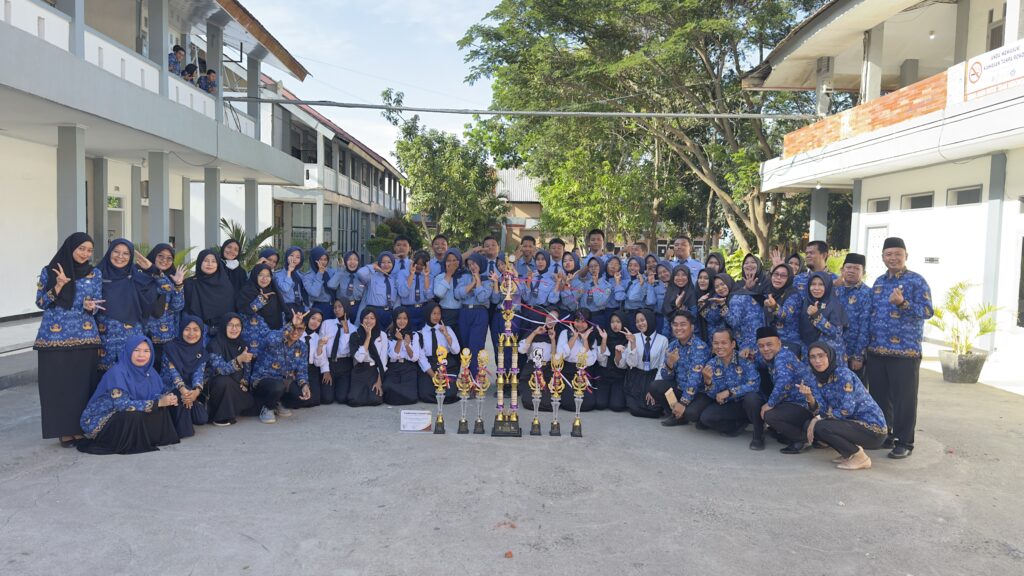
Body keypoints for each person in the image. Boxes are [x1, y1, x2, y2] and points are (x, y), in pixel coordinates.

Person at [865, 237, 933, 459]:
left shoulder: (916, 281)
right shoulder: (878, 282)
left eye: (897, 254)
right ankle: (886, 434)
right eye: (889, 254)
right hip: (877, 350)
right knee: (879, 397)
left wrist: (903, 303)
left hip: (905, 352)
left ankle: (905, 442)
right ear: (883, 257)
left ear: (906, 256)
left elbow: (927, 311)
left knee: (905, 400)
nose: (893, 258)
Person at [34, 232, 103, 446]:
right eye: (81, 248)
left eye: (89, 250)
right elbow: (41, 303)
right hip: (53, 339)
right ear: (70, 248)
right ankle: (63, 431)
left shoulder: (95, 273)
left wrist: (91, 307)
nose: (85, 254)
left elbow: (96, 303)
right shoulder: (50, 271)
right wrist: (58, 286)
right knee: (58, 386)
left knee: (81, 387)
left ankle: (80, 428)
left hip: (86, 337)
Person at [77, 335, 180, 454]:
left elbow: (153, 395)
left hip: (124, 414)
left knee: (160, 409)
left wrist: (166, 398)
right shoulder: (117, 372)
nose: (141, 355)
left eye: (146, 351)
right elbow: (122, 405)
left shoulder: (150, 371)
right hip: (102, 419)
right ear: (129, 351)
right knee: (134, 415)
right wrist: (158, 403)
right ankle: (133, 441)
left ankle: (149, 439)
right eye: (136, 350)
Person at [804, 342, 888, 470]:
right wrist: (809, 397)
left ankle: (860, 458)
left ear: (830, 356)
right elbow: (822, 410)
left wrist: (817, 419)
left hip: (873, 430)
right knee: (810, 425)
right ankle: (849, 453)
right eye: (813, 357)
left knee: (821, 425)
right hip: (852, 425)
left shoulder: (842, 374)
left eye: (821, 356)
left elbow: (847, 409)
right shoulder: (818, 378)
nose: (817, 361)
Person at [694, 329, 764, 449]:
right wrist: (708, 382)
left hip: (747, 402)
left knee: (752, 398)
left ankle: (758, 435)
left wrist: (730, 392)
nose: (719, 346)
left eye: (724, 343)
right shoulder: (711, 364)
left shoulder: (744, 359)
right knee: (706, 418)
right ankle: (737, 425)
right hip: (730, 404)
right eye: (716, 343)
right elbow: (713, 395)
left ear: (732, 344)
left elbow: (754, 384)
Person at [96, 239, 158, 372]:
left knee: (133, 374)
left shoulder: (136, 275)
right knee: (106, 377)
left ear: (131, 256)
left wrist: (152, 268)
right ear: (109, 252)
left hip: (132, 337)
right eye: (116, 252)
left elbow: (167, 289)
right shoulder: (97, 274)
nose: (120, 256)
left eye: (125, 253)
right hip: (105, 339)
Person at [648, 311, 712, 427]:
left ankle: (683, 411)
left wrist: (683, 402)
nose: (678, 328)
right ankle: (676, 415)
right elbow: (666, 377)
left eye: (683, 324)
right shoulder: (672, 346)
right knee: (655, 386)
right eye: (675, 325)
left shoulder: (700, 347)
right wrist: (669, 364)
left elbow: (695, 380)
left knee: (691, 414)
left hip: (699, 392)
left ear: (692, 327)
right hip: (680, 387)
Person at [757, 327, 815, 453]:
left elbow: (784, 383)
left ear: (779, 343)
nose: (765, 349)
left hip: (804, 406)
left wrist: (770, 404)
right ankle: (789, 434)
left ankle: (802, 439)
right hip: (792, 404)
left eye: (769, 344)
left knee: (769, 415)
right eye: (761, 346)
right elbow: (759, 360)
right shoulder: (777, 355)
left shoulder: (782, 357)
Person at [248, 310, 312, 423]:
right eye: (293, 328)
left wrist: (304, 385)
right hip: (263, 380)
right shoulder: (275, 336)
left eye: (300, 329)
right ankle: (268, 408)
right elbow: (271, 340)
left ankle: (277, 402)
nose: (295, 332)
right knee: (278, 387)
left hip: (283, 381)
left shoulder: (302, 347)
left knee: (301, 396)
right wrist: (292, 324)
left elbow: (301, 370)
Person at [159, 315, 209, 438]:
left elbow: (198, 373)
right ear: (181, 330)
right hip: (170, 389)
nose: (191, 334)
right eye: (187, 329)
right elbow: (173, 373)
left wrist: (196, 392)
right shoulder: (170, 348)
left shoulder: (201, 352)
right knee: (181, 402)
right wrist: (183, 390)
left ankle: (188, 405)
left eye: (196, 330)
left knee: (201, 418)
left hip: (189, 391)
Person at [204, 313, 255, 426]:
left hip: (236, 385)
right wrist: (239, 359)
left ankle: (234, 408)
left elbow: (247, 369)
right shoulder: (214, 344)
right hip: (216, 388)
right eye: (230, 325)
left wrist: (244, 382)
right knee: (223, 381)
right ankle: (221, 416)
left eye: (238, 325)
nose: (234, 329)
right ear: (223, 326)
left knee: (254, 403)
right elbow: (220, 370)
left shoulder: (242, 344)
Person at [702, 273, 764, 361]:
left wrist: (723, 305)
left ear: (729, 282)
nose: (720, 288)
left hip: (750, 343)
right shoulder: (738, 293)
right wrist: (703, 306)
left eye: (722, 284)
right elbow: (713, 319)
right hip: (757, 339)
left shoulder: (736, 299)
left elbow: (734, 322)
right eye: (717, 287)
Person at [143, 243, 185, 368]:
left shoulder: (173, 277)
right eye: (160, 256)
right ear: (153, 256)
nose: (164, 260)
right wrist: (155, 272)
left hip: (165, 337)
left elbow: (177, 307)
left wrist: (178, 284)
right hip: (143, 335)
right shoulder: (141, 275)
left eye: (169, 258)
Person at [622, 309, 668, 418]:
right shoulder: (633, 337)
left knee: (654, 410)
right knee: (635, 410)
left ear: (650, 319)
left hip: (653, 377)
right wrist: (633, 344)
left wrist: (654, 389)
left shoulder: (663, 340)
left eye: (642, 320)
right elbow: (631, 364)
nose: (640, 324)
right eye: (637, 321)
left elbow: (662, 365)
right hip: (636, 376)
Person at [456, 253, 496, 375]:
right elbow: (458, 294)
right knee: (465, 347)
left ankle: (476, 378)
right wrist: (472, 283)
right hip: (464, 312)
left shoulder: (488, 279)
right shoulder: (464, 277)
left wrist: (478, 280)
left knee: (476, 346)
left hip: (480, 313)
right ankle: (466, 378)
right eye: (469, 265)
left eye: (474, 264)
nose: (472, 267)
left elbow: (482, 298)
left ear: (480, 263)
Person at [236, 264, 288, 358]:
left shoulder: (273, 293)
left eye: (268, 276)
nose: (264, 279)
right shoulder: (247, 291)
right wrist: (260, 301)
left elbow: (280, 315)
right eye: (261, 275)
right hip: (252, 341)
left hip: (272, 340)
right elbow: (243, 312)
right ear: (255, 275)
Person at [834, 253, 872, 377]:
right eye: (848, 267)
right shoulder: (835, 290)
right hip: (833, 352)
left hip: (853, 355)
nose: (851, 271)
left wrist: (858, 356)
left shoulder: (868, 293)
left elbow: (865, 327)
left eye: (856, 268)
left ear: (863, 273)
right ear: (842, 270)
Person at [555, 309, 601, 411]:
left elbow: (590, 361)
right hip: (567, 372)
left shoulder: (592, 337)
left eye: (583, 321)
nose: (580, 324)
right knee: (568, 403)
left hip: (583, 373)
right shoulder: (565, 333)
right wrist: (574, 338)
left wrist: (585, 340)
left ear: (588, 323)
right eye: (577, 321)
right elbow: (560, 356)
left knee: (588, 403)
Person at [416, 301, 461, 404]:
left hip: (446, 364)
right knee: (426, 394)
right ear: (427, 314)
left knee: (449, 393)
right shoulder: (420, 333)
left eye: (439, 313)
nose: (436, 316)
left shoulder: (447, 329)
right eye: (434, 313)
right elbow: (422, 359)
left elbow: (456, 350)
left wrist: (446, 335)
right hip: (430, 367)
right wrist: (434, 376)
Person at [183, 249, 236, 331]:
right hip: (196, 331)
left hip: (222, 330)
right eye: (206, 261)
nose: (210, 264)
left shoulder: (225, 284)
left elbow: (230, 310)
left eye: (213, 261)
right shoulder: (190, 283)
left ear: (218, 264)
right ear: (200, 262)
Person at [798, 272, 848, 359]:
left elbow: (835, 332)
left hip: (829, 355)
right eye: (813, 284)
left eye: (821, 284)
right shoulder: (806, 303)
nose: (816, 288)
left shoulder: (834, 305)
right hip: (809, 353)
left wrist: (816, 316)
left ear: (827, 286)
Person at [518, 310, 558, 412]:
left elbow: (554, 358)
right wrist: (535, 333)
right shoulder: (534, 331)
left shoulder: (556, 335)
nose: (551, 320)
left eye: (555, 318)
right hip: (531, 369)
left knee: (549, 402)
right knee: (528, 400)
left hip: (546, 371)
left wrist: (553, 339)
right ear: (545, 317)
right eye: (549, 316)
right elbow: (522, 350)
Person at [380, 308, 421, 405]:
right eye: (399, 318)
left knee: (411, 396)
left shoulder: (414, 335)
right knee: (387, 389)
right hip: (393, 367)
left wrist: (407, 345)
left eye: (405, 318)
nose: (402, 321)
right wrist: (399, 341)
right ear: (395, 319)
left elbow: (414, 358)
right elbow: (393, 356)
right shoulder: (389, 335)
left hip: (408, 367)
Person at [347, 309, 388, 407]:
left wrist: (379, 382)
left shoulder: (382, 335)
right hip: (360, 370)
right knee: (354, 401)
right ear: (361, 319)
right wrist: (368, 337)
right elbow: (359, 359)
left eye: (372, 318)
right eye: (366, 318)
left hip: (374, 370)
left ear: (376, 320)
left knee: (375, 400)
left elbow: (383, 360)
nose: (369, 321)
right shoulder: (355, 335)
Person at [319, 299, 356, 405]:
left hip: (345, 365)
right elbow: (321, 348)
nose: (337, 310)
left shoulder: (354, 329)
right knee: (327, 399)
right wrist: (325, 370)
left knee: (342, 398)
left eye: (340, 307)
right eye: (335, 307)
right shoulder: (326, 324)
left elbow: (345, 350)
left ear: (346, 308)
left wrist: (346, 331)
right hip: (329, 363)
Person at [762, 263, 802, 353]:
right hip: (770, 343)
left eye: (783, 276)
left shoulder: (793, 295)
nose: (778, 278)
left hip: (788, 344)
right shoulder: (768, 292)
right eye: (776, 274)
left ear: (789, 278)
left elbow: (786, 315)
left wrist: (774, 307)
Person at [593, 311, 628, 411]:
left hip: (619, 376)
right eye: (612, 322)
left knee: (617, 406)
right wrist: (604, 340)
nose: (615, 325)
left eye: (618, 322)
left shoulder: (627, 339)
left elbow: (623, 365)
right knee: (600, 404)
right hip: (604, 375)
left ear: (623, 323)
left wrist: (618, 353)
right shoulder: (604, 335)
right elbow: (601, 360)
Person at [292, 310, 327, 408]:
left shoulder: (319, 338)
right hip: (295, 370)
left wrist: (320, 346)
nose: (315, 322)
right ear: (307, 318)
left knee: (315, 400)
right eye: (313, 318)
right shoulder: (297, 333)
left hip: (311, 370)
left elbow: (318, 363)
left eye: (319, 321)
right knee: (297, 398)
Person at [357, 251, 399, 330]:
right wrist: (373, 266)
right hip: (373, 313)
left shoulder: (395, 279)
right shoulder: (372, 276)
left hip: (389, 314)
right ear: (379, 263)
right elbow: (360, 273)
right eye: (383, 262)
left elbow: (397, 299)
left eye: (389, 262)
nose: (386, 265)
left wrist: (395, 317)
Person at [519, 249, 558, 330]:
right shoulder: (531, 275)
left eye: (543, 259)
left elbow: (552, 300)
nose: (540, 262)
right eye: (538, 259)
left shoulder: (552, 280)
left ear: (548, 261)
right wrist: (529, 281)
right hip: (527, 312)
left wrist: (558, 283)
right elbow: (525, 298)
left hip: (540, 314)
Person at [432, 248, 465, 337]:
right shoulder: (440, 277)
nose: (451, 263)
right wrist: (449, 275)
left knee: (460, 340)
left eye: (454, 260)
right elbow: (439, 293)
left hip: (461, 312)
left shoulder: (464, 276)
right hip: (445, 313)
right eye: (448, 261)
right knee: (446, 339)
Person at [399, 250, 433, 331]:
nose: (419, 267)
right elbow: (403, 293)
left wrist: (426, 276)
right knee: (409, 335)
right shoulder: (403, 273)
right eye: (417, 263)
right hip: (408, 309)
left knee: (424, 335)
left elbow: (429, 296)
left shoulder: (430, 276)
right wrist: (411, 274)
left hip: (424, 309)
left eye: (422, 265)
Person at [573, 256, 610, 329]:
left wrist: (595, 285)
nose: (593, 268)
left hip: (597, 318)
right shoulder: (585, 283)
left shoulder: (607, 286)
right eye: (591, 266)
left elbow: (599, 302)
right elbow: (576, 299)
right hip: (583, 318)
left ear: (601, 266)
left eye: (596, 266)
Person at [327, 250, 365, 320]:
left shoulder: (362, 275)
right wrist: (341, 270)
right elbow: (331, 285)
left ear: (358, 262)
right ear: (345, 261)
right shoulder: (340, 273)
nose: (352, 262)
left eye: (355, 259)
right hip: (341, 308)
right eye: (349, 259)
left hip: (356, 308)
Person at [275, 246, 309, 316]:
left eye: (298, 257)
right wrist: (289, 272)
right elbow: (285, 289)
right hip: (286, 307)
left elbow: (305, 293)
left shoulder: (301, 275)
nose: (294, 259)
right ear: (287, 256)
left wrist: (306, 307)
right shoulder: (278, 274)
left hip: (300, 307)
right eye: (291, 255)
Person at [304, 246, 336, 318]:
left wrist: (341, 269)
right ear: (314, 259)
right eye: (320, 259)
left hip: (333, 307)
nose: (323, 262)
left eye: (325, 259)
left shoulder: (330, 272)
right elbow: (315, 293)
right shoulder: (308, 276)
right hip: (318, 307)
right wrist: (320, 273)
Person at [646, 261, 672, 335]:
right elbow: (650, 302)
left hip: (675, 320)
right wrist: (650, 285)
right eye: (660, 273)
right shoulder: (656, 286)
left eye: (665, 271)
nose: (662, 275)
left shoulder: (678, 284)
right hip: (660, 320)